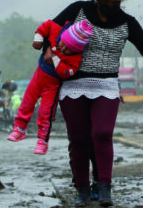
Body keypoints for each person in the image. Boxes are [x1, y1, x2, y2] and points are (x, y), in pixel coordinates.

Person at [47, 0, 143, 207]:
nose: (112, 4)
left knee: (103, 134)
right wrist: (47, 48)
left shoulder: (127, 22)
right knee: (79, 138)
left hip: (106, 85)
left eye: (116, 0)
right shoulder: (78, 10)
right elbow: (50, 28)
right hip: (73, 83)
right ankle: (83, 190)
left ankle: (105, 187)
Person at [7, 19, 93, 155]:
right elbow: (45, 26)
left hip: (52, 86)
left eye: (68, 50)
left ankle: (42, 140)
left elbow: (67, 72)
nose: (63, 50)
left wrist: (55, 59)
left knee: (45, 113)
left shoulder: (76, 58)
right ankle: (19, 129)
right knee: (26, 102)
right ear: (63, 37)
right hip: (38, 76)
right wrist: (38, 39)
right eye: (63, 45)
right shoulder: (56, 29)